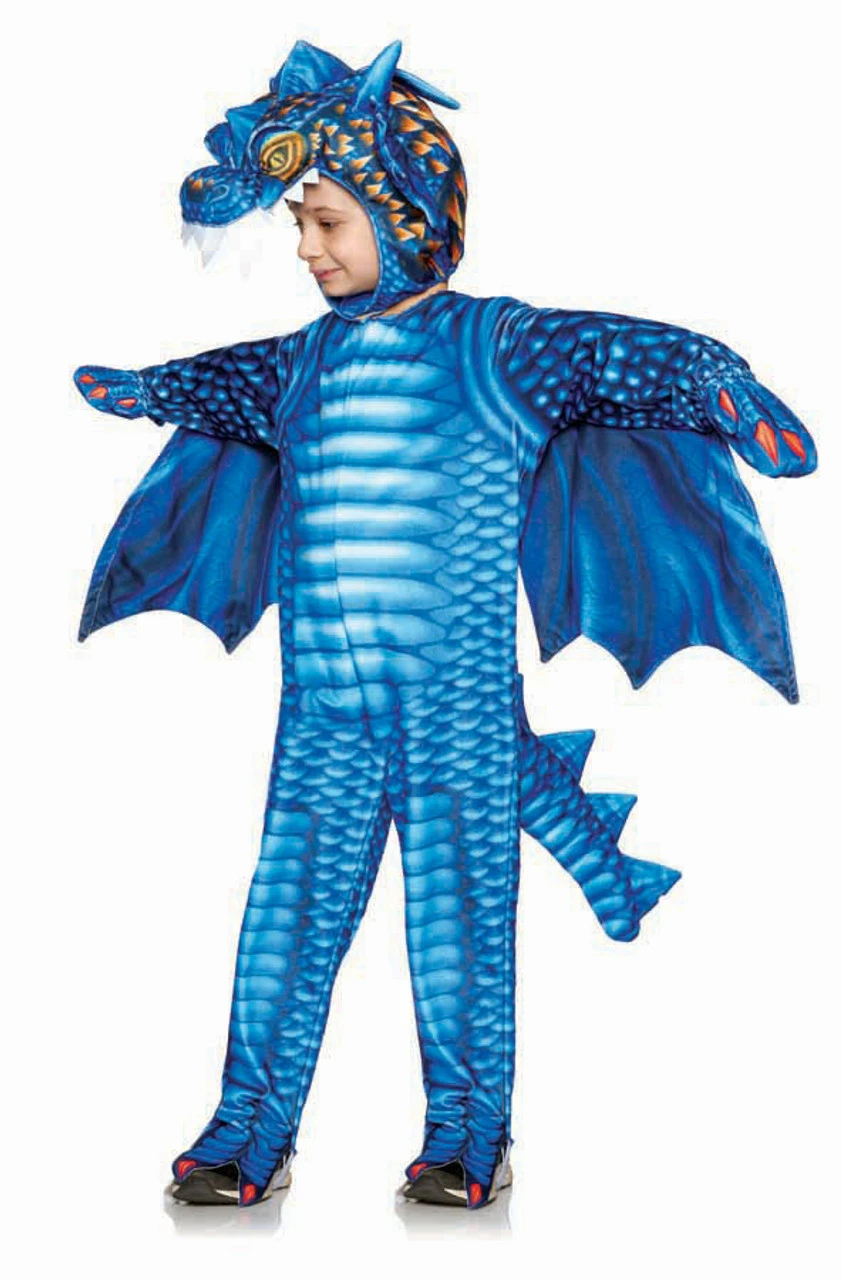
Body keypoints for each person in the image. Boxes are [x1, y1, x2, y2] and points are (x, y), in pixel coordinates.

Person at [72, 39, 817, 1211]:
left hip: (458, 715)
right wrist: (148, 386)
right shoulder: (297, 367)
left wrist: (723, 388)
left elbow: (630, 354)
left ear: (405, 215)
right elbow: (219, 379)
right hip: (322, 712)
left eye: (326, 222)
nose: (306, 247)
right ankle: (246, 1129)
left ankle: (468, 1135)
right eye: (299, 225)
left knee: (457, 931)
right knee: (281, 925)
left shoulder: (504, 347)